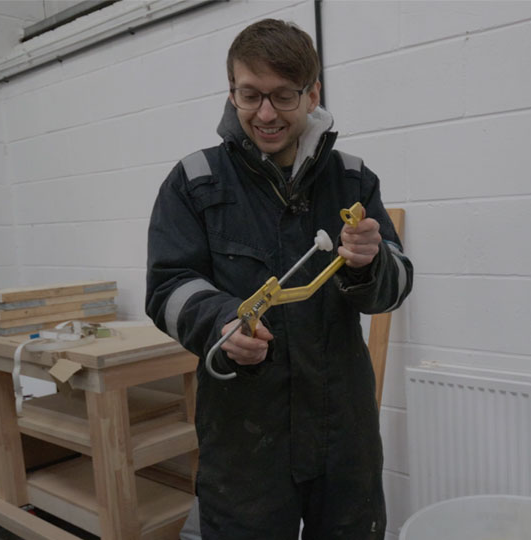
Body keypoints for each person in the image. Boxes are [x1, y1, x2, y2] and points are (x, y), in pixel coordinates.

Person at [146, 18, 413, 539]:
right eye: (250, 95)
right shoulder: (195, 182)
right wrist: (222, 322)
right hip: (244, 438)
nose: (266, 114)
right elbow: (167, 287)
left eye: (284, 96)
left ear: (312, 94)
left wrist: (373, 262)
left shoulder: (353, 179)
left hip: (344, 434)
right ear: (232, 92)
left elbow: (399, 283)